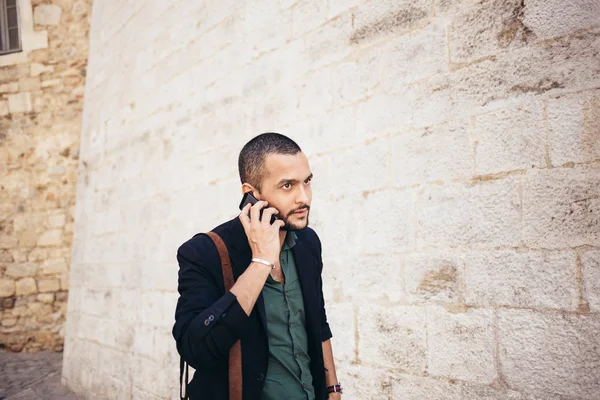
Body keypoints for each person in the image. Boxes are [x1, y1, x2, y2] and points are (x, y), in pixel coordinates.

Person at [172, 133, 342, 399]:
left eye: (306, 182)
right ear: (251, 194)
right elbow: (196, 350)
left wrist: (332, 388)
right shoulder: (202, 252)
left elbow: (317, 321)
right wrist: (261, 261)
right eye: (287, 186)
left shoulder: (308, 242)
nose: (304, 198)